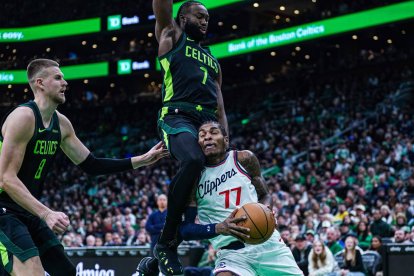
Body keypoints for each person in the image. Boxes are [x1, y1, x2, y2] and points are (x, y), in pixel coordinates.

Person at [0, 59, 168, 276]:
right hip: (4, 211)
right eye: (58, 78)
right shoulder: (23, 117)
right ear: (40, 83)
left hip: (28, 211)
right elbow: (6, 179)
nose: (65, 83)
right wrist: (47, 213)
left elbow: (91, 164)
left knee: (66, 272)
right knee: (32, 272)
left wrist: (141, 160)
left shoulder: (61, 124)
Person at [138, 121, 302, 275]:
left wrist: (266, 209)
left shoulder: (244, 159)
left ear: (225, 139)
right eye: (202, 135)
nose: (207, 136)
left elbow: (265, 195)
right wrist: (219, 227)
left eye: (213, 132)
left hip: (269, 245)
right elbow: (185, 229)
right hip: (232, 254)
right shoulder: (193, 179)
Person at [152, 1, 228, 274]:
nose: (206, 21)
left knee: (204, 195)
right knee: (194, 159)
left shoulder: (213, 60)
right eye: (200, 16)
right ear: (183, 18)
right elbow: (162, 8)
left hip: (207, 122)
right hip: (177, 116)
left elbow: (219, 103)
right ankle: (166, 240)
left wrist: (225, 137)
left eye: (208, 17)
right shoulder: (172, 36)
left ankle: (154, 260)